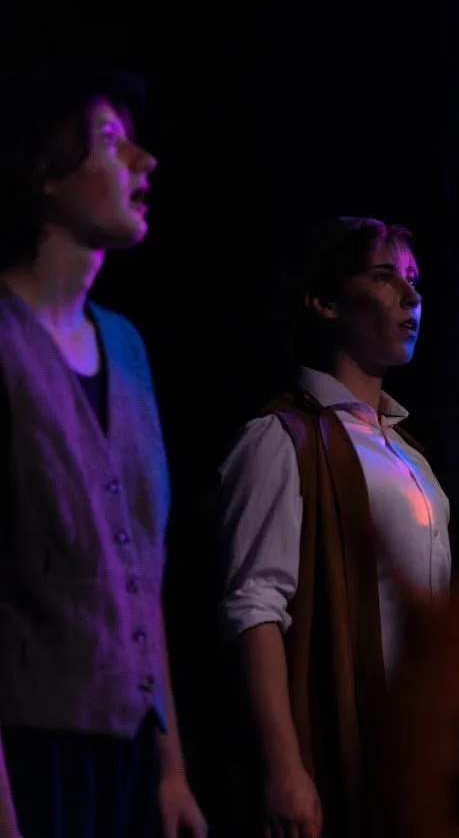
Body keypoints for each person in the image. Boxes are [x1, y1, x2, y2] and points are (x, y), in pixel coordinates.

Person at [0, 67, 207, 838]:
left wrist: (173, 767)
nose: (142, 163)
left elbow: (141, 575)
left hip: (127, 752)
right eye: (112, 142)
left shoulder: (125, 344)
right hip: (34, 752)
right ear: (46, 175)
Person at [213, 216, 451, 838]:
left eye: (414, 279)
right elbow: (254, 606)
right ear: (324, 300)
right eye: (384, 275)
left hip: (415, 754)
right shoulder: (281, 438)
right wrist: (285, 768)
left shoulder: (413, 457)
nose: (411, 295)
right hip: (341, 747)